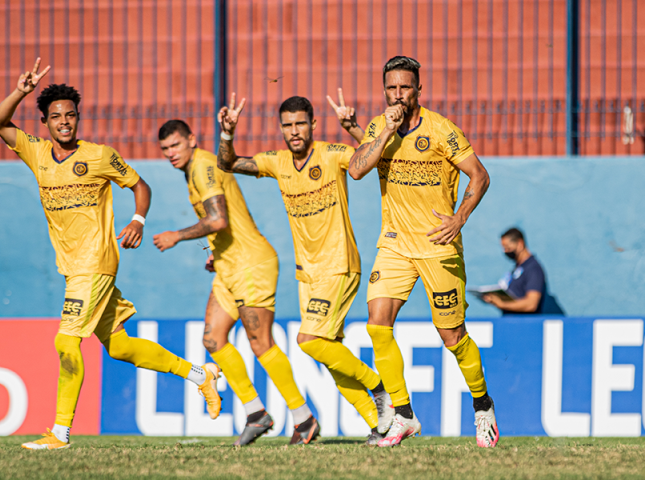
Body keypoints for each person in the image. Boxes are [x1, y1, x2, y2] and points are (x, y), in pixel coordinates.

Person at [0, 58, 221, 450]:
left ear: (78, 118)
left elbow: (140, 184)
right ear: (44, 121)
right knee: (119, 346)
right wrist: (21, 91)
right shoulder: (37, 153)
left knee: (66, 343)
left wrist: (138, 221)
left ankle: (60, 433)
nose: (65, 122)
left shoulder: (98, 156)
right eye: (56, 116)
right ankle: (201, 376)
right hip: (72, 267)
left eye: (71, 115)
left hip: (94, 263)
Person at [215, 93, 394, 446]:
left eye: (300, 123)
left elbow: (361, 166)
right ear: (281, 128)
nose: (294, 131)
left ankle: (379, 387)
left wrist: (358, 129)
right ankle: (383, 425)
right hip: (307, 273)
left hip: (339, 264)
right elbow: (229, 163)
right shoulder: (277, 162)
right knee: (329, 353)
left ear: (313, 124)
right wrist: (226, 134)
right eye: (287, 125)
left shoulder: (331, 153)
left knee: (308, 341)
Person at [348, 56, 498, 448]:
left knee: (452, 336)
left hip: (437, 245)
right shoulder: (380, 126)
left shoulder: (441, 131)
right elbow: (356, 169)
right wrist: (385, 134)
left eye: (405, 87)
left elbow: (479, 175)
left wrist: (459, 217)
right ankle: (403, 415)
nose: (398, 95)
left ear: (419, 89)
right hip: (395, 244)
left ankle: (482, 407)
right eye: (391, 88)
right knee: (377, 325)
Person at [153, 119, 315, 445]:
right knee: (213, 339)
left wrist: (176, 235)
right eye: (165, 149)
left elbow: (218, 218)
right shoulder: (193, 170)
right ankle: (257, 413)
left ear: (191, 140)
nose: (171, 153)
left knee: (260, 343)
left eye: (175, 145)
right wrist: (216, 251)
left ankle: (303, 418)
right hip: (229, 265)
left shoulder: (201, 167)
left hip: (251, 264)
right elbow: (224, 225)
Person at [483, 228, 547, 314]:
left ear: (520, 243)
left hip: (524, 324)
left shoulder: (533, 269)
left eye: (508, 248)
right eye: (503, 248)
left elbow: (531, 304)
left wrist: (502, 304)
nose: (505, 251)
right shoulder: (517, 268)